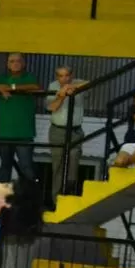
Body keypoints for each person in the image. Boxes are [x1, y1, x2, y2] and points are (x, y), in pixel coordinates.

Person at [0, 53, 40, 184]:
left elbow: (36, 87)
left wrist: (11, 87)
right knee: (5, 167)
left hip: (24, 134)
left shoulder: (29, 78)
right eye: (12, 61)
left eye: (18, 61)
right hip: (5, 133)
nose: (15, 63)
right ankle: (1, 201)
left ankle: (30, 200)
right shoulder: (2, 78)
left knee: (27, 167)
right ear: (7, 64)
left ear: (24, 63)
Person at [46, 66, 87, 202]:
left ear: (71, 75)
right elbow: (51, 107)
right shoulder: (53, 86)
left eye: (67, 75)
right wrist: (62, 95)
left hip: (75, 130)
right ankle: (56, 201)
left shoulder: (78, 82)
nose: (64, 78)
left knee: (73, 165)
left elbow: (91, 83)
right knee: (58, 166)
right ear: (57, 77)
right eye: (61, 76)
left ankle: (69, 198)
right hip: (58, 131)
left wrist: (72, 87)